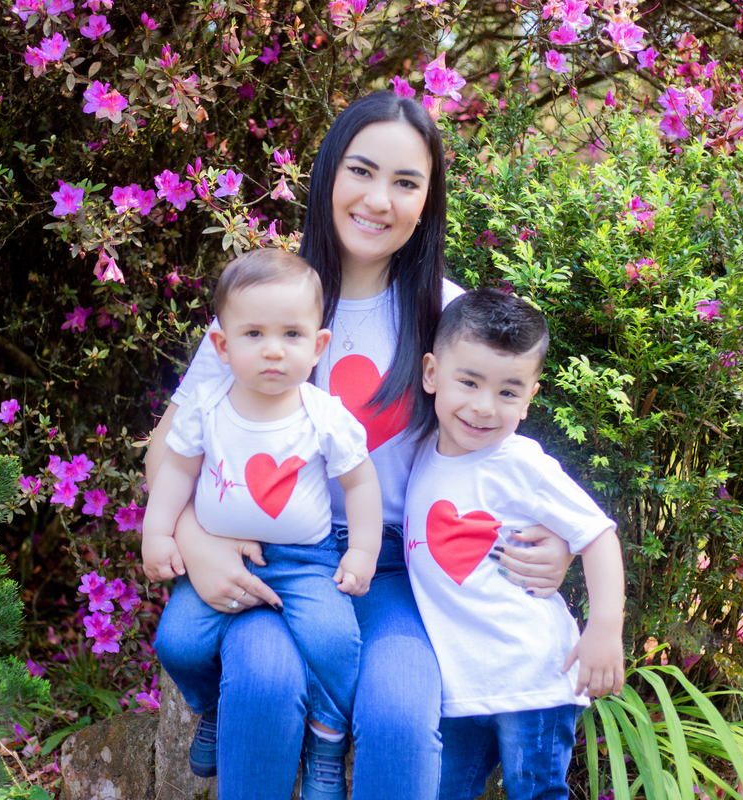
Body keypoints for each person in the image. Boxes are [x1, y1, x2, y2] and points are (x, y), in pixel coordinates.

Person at [145, 90, 576, 800]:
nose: (379, 199)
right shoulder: (269, 302)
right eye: (362, 171)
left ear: (427, 200)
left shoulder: (444, 312)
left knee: (403, 715)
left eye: (406, 182)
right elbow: (170, 445)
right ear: (328, 177)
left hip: (392, 567)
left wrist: (552, 540)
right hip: (269, 554)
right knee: (261, 678)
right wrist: (193, 537)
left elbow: (494, 448)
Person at [146, 248, 383, 784]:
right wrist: (159, 532)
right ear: (223, 347)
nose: (273, 351)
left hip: (306, 562)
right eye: (254, 335)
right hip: (221, 553)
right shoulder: (208, 407)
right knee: (177, 642)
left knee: (336, 640)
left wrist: (362, 549)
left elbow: (360, 481)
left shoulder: (323, 415)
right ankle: (211, 709)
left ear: (318, 345)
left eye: (292, 336)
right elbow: (176, 473)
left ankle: (327, 733)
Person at [405, 288, 625, 800]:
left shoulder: (520, 463)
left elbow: (597, 534)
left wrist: (604, 628)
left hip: (531, 676)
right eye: (469, 382)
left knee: (536, 791)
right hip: (465, 686)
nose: (484, 407)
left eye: (508, 392)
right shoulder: (421, 452)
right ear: (432, 373)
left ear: (529, 398)